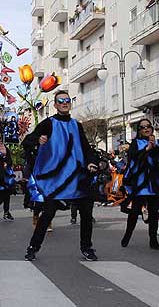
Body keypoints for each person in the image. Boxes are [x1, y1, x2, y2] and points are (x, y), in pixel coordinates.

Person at [23, 90, 98, 261]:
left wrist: (91, 162)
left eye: (67, 100)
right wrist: (37, 140)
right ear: (55, 105)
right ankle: (33, 247)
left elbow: (86, 148)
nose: (64, 103)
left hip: (77, 177)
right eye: (61, 101)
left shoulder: (76, 124)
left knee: (86, 213)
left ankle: (87, 247)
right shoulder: (48, 124)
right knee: (48, 213)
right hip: (57, 180)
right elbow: (27, 141)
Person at [121, 118, 159, 250]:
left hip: (154, 184)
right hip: (140, 184)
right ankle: (127, 235)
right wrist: (146, 149)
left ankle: (153, 240)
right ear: (139, 130)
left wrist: (156, 148)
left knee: (154, 212)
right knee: (135, 211)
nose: (146, 129)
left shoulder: (158, 143)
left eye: (148, 126)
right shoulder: (136, 143)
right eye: (142, 127)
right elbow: (133, 160)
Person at [0, 130, 15, 221]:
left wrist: (6, 163)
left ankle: (6, 211)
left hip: (4, 175)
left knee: (6, 193)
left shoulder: (5, 148)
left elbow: (9, 161)